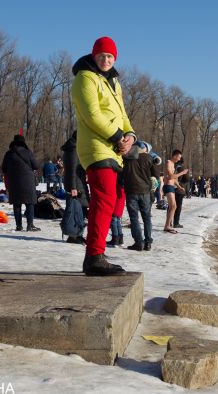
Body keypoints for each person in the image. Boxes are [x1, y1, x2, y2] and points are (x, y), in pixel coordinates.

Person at [72, 36, 136, 276]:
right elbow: (91, 114)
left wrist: (129, 135)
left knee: (110, 201)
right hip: (96, 146)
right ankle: (94, 256)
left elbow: (122, 114)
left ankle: (96, 252)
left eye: (110, 56)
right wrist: (117, 136)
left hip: (113, 147)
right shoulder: (85, 78)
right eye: (102, 55)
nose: (106, 60)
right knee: (104, 199)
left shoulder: (113, 82)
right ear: (94, 56)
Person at [122, 141, 160, 251]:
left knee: (134, 219)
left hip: (131, 191)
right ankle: (148, 243)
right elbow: (156, 176)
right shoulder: (148, 158)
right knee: (147, 218)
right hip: (145, 192)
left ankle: (138, 243)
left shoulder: (127, 158)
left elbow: (122, 175)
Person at [1, 134, 41, 232]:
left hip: (14, 182)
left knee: (16, 204)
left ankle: (18, 225)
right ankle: (30, 225)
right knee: (30, 203)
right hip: (28, 182)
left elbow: (4, 169)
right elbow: (36, 165)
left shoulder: (8, 154)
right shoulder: (28, 153)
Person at [61, 131, 89, 245]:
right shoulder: (73, 150)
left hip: (77, 182)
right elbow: (73, 169)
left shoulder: (72, 148)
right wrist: (73, 187)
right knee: (77, 210)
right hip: (76, 184)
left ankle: (77, 234)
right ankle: (74, 235)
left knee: (78, 209)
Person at [163, 149, 188, 234]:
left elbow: (174, 179)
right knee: (173, 206)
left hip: (171, 187)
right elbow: (170, 177)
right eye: (179, 157)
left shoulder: (173, 164)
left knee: (173, 206)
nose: (179, 159)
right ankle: (167, 226)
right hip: (167, 186)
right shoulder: (168, 162)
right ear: (174, 155)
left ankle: (167, 225)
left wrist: (179, 187)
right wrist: (182, 173)